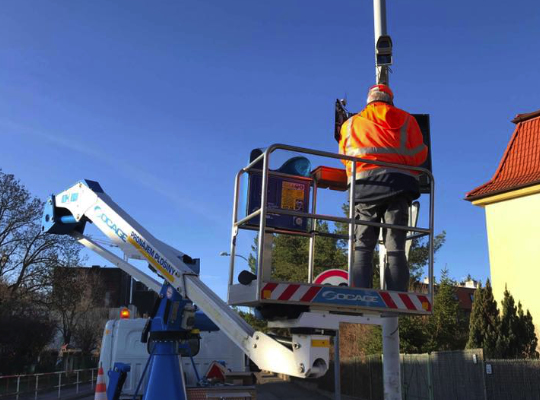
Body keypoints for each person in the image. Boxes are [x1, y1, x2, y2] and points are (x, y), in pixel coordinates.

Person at [338, 84, 428, 292]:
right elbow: (420, 155)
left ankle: (361, 293)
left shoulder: (351, 124)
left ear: (369, 100)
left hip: (364, 187)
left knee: (362, 245)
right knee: (396, 247)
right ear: (391, 100)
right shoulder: (408, 120)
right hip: (399, 186)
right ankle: (397, 294)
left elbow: (344, 156)